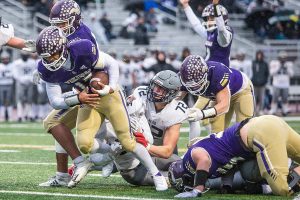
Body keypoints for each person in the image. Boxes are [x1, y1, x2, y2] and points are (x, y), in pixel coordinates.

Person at [38, 0, 112, 188]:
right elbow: (55, 98)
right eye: (55, 25)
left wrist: (110, 85)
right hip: (80, 91)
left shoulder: (82, 41)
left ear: (75, 20)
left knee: (107, 142)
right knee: (54, 123)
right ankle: (62, 175)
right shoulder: (60, 40)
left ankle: (105, 157)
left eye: (62, 24)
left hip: (97, 91)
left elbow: (109, 66)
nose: (59, 29)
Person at [169, 115, 300, 198]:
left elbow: (203, 159)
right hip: (265, 123)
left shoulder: (190, 159)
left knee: (283, 189)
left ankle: (289, 168)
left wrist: (197, 189)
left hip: (261, 134)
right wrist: (227, 185)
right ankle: (286, 165)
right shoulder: (212, 151)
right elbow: (227, 165)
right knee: (248, 171)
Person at [180, 54, 255, 134]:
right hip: (218, 95)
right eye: (190, 85)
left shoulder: (217, 73)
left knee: (243, 129)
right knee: (217, 132)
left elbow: (224, 106)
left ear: (205, 74)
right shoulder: (186, 77)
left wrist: (202, 114)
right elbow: (175, 99)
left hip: (241, 91)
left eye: (196, 84)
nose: (193, 88)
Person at [180, 0, 233, 67]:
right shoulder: (211, 33)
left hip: (221, 72)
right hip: (210, 70)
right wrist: (186, 6)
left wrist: (215, 6)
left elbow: (221, 29)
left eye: (212, 17)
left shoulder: (226, 32)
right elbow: (196, 25)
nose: (209, 21)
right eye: (207, 18)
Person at [251, 50, 269, 115]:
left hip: (262, 84)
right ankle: (254, 110)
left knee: (262, 98)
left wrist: (265, 81)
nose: (259, 56)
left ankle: (261, 109)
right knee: (254, 98)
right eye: (258, 55)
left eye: (260, 55)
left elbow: (267, 74)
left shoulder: (265, 64)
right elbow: (252, 72)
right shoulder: (253, 63)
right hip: (254, 83)